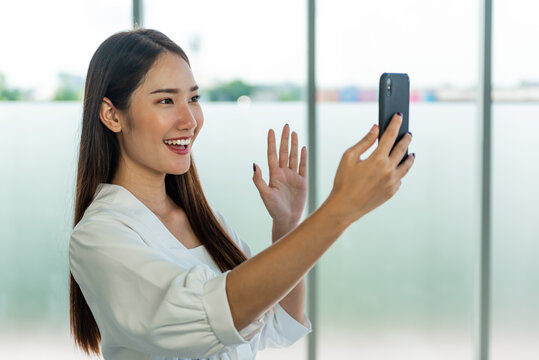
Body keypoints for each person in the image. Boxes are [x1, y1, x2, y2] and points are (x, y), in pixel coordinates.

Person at [69, 28, 414, 360]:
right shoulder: (99, 236)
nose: (190, 120)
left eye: (193, 98)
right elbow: (211, 315)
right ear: (112, 114)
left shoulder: (205, 222)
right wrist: (342, 208)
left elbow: (276, 321)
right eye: (165, 100)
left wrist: (287, 226)